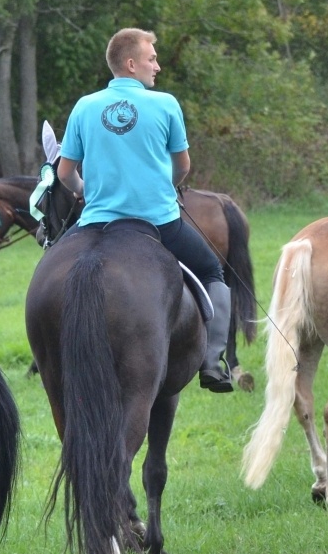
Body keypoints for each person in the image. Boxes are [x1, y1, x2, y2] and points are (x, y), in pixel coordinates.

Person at [57, 27, 234, 392]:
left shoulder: (84, 106)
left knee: (53, 265)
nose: (158, 66)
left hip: (98, 223)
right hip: (158, 223)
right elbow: (183, 166)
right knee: (212, 270)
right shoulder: (166, 104)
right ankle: (213, 362)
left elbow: (64, 173)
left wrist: (84, 191)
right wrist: (166, 186)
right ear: (131, 63)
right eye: (152, 59)